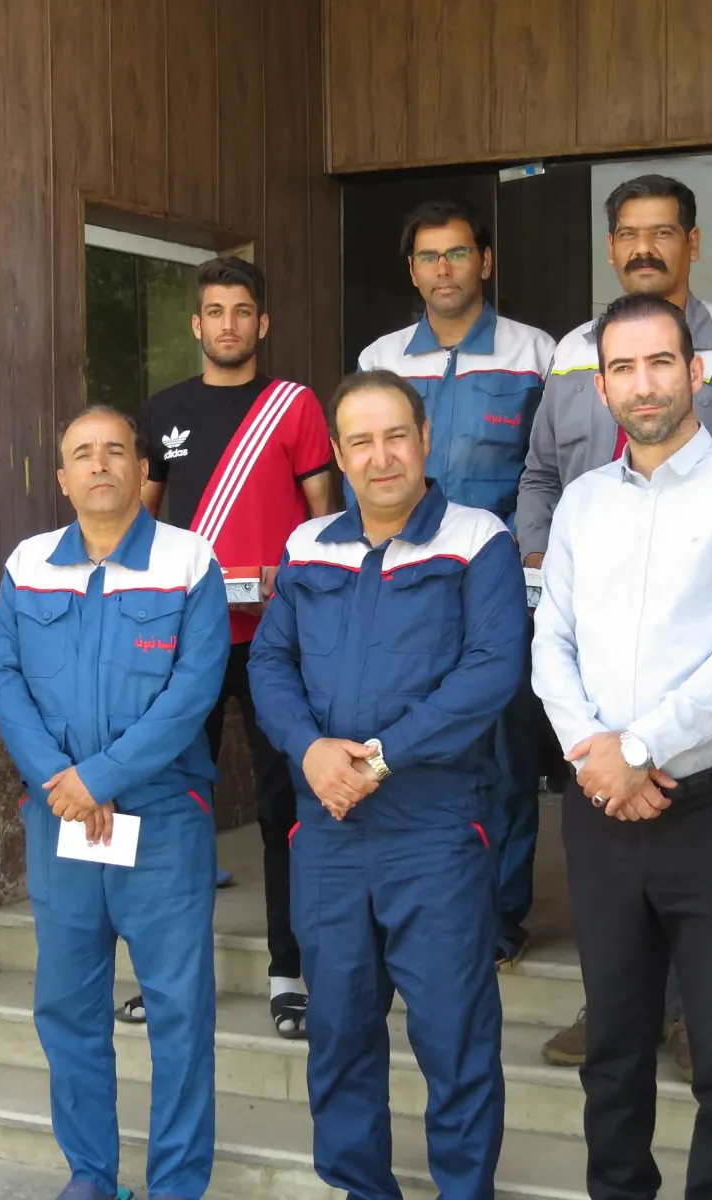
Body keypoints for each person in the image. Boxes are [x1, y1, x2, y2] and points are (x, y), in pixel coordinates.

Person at [522, 172, 712, 1070]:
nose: (642, 385)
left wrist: (636, 749)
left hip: (708, 783)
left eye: (663, 231)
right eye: (623, 370)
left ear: (694, 373)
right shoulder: (582, 471)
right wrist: (597, 756)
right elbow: (552, 640)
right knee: (615, 1042)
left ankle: (690, 1026)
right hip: (599, 789)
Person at [249, 369, 526, 1200]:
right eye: (361, 442)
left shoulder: (478, 540)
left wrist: (376, 759)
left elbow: (491, 670)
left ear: (425, 439)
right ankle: (362, 1188)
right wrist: (309, 751)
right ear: (337, 455)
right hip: (328, 831)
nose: (381, 457)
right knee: (337, 1033)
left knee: (454, 1036)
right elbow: (269, 661)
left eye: (396, 436)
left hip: (433, 831)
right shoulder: (309, 545)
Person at [0, 406, 230, 1200]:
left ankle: (177, 1184)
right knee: (67, 1007)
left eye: (115, 451)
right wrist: (61, 778)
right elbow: (2, 681)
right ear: (62, 478)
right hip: (59, 816)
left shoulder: (188, 560)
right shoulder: (29, 563)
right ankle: (91, 1176)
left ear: (141, 469)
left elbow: (194, 689)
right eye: (82, 454)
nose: (99, 465)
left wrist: (104, 776)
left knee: (178, 1012)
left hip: (162, 819)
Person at [126, 256, 335, 1038]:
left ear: (262, 323)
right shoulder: (165, 410)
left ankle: (291, 972)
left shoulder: (295, 406)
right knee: (177, 808)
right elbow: (142, 527)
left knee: (285, 807)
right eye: (214, 311)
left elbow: (325, 522)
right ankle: (170, 976)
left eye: (242, 311)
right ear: (196, 324)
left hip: (278, 640)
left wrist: (294, 576)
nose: (228, 324)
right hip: (190, 642)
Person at [357, 199, 554, 970]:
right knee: (403, 740)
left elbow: (549, 469)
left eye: (458, 253)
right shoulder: (381, 358)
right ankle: (413, 902)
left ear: (485, 262)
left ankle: (500, 914)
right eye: (429, 257)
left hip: (497, 583)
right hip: (404, 581)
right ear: (412, 271)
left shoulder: (534, 352)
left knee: (505, 751)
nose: (444, 269)